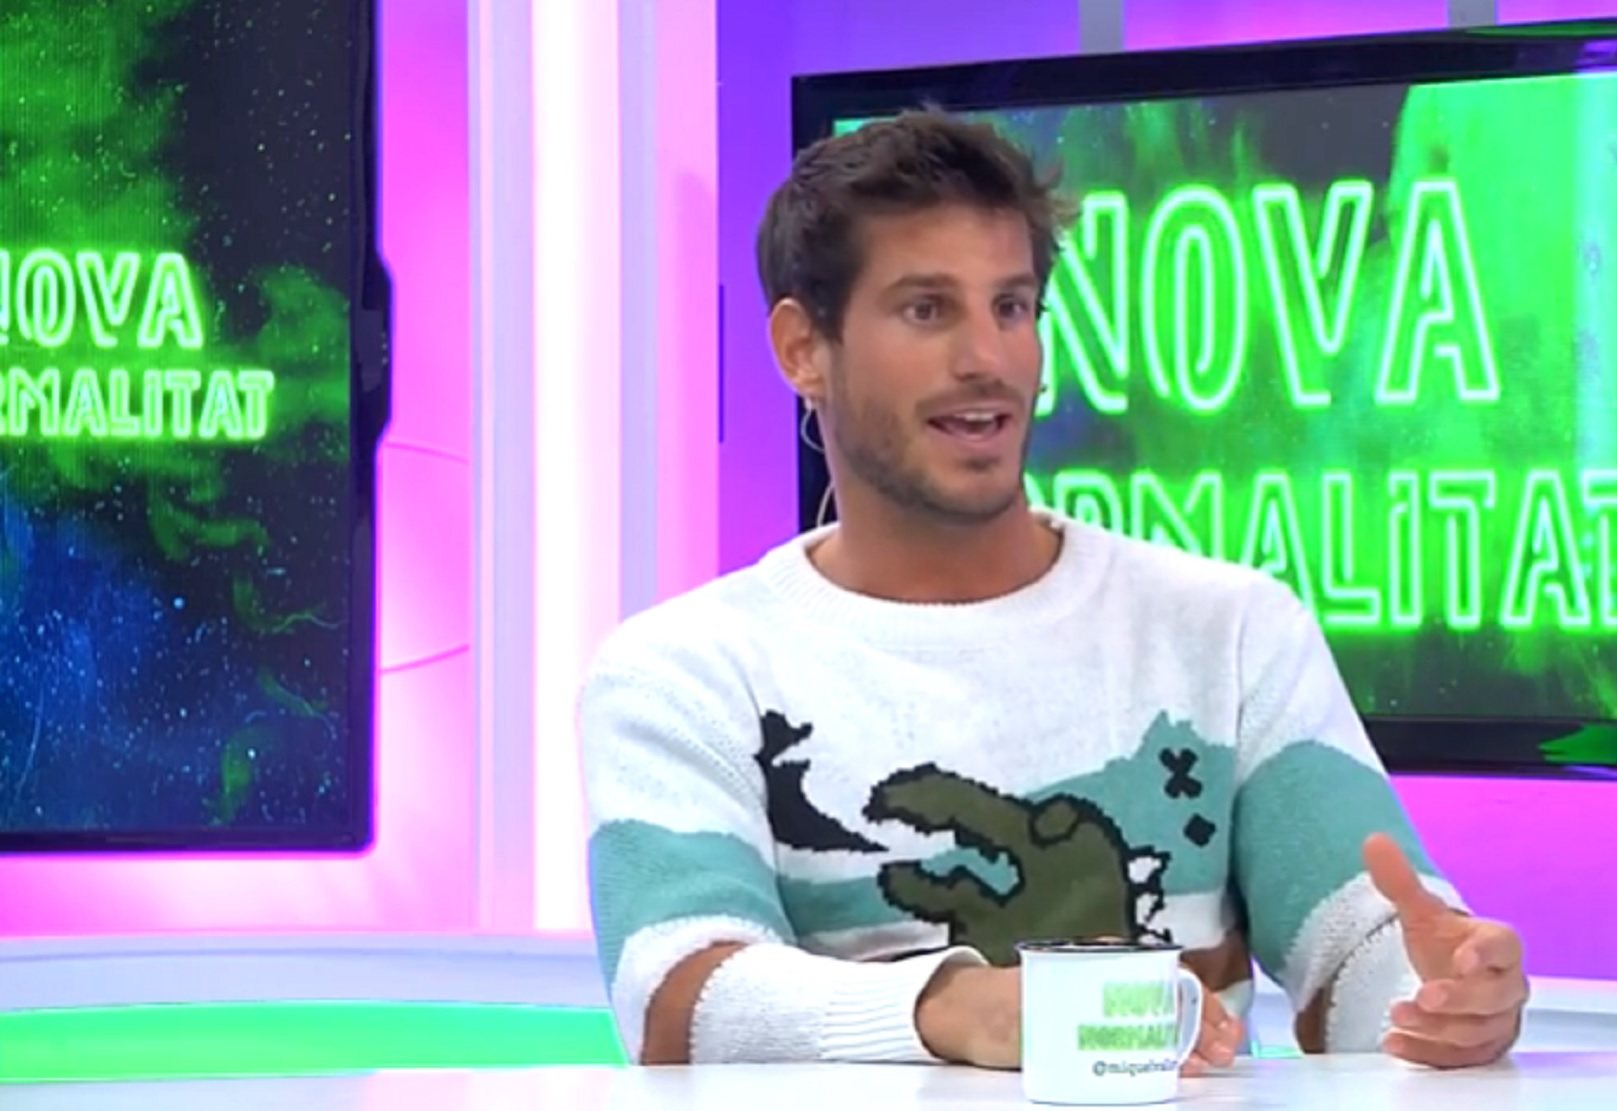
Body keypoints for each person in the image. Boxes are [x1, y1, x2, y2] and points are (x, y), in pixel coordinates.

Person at [578, 108, 1529, 1071]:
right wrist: (957, 1007)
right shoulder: (684, 673)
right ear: (801, 348)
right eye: (927, 310)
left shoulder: (1228, 630)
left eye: (1011, 307)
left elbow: (1366, 945)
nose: (987, 360)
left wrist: (1441, 997)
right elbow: (678, 1000)